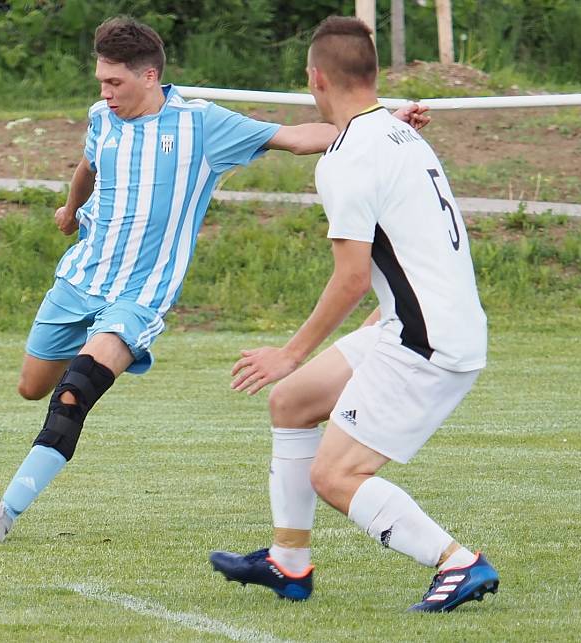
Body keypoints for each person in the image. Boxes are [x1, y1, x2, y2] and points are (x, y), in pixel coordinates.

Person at [0, 16, 429, 547]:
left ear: (149, 76)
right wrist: (71, 209)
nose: (105, 93)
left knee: (74, 394)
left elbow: (300, 137)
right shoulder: (101, 117)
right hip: (78, 280)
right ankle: (83, 360)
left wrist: (382, 122)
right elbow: (88, 163)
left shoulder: (201, 125)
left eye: (115, 83)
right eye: (100, 82)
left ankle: (3, 513)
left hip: (140, 297)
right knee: (32, 386)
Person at [209, 16, 499, 613]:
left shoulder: (348, 157)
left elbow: (348, 278)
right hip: (416, 323)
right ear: (372, 75)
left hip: (427, 341)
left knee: (334, 475)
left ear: (315, 77)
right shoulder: (400, 135)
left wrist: (289, 353)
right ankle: (288, 563)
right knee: (290, 403)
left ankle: (457, 562)